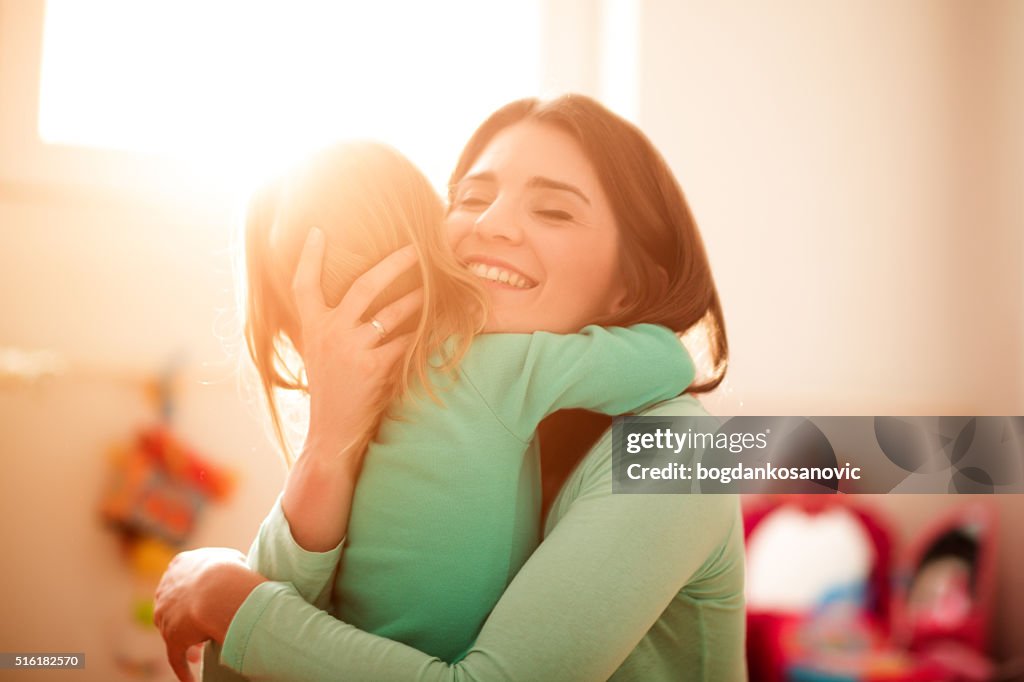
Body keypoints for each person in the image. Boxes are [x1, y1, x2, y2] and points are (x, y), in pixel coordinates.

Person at [154, 95, 746, 682]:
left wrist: (232, 603)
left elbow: (253, 625)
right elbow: (256, 659)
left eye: (554, 211)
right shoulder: (432, 396)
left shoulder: (683, 451)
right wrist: (329, 442)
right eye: (471, 199)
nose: (489, 225)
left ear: (631, 288)